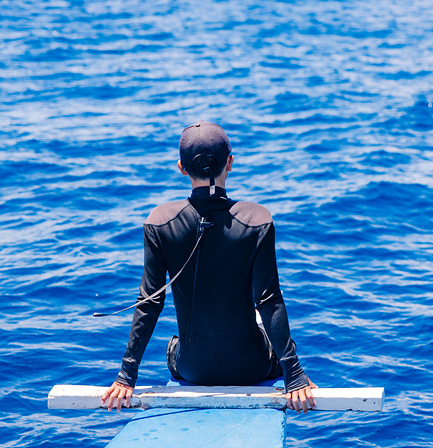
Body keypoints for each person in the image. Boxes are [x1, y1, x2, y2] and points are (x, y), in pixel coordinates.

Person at [101, 121, 316, 414]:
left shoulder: (159, 220)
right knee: (260, 321)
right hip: (250, 367)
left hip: (191, 369)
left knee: (174, 344)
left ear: (181, 167)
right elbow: (268, 301)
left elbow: (150, 303)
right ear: (230, 162)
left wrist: (126, 376)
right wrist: (294, 375)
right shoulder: (257, 218)